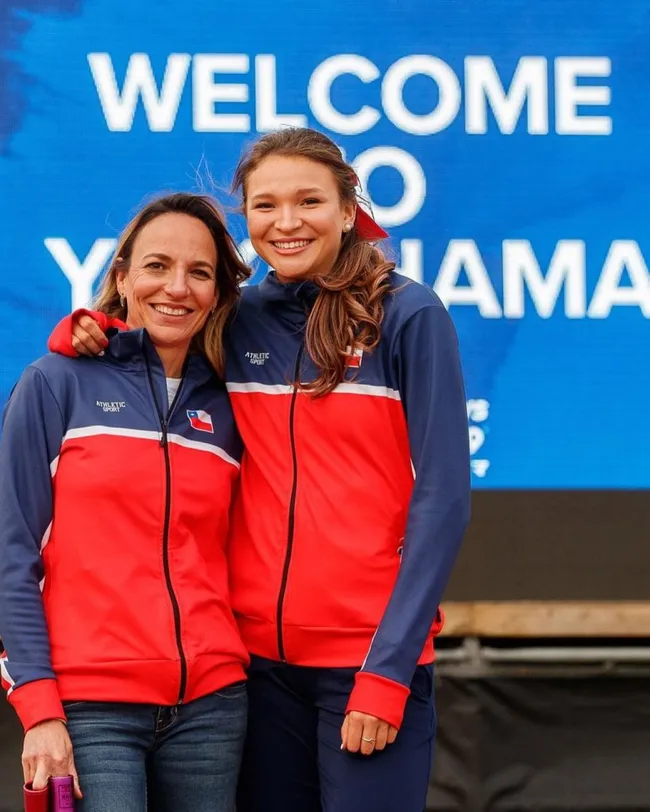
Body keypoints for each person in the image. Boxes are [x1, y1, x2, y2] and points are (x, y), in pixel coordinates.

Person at [48, 127, 471, 812]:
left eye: (309, 201)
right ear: (246, 216)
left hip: (366, 665)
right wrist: (89, 334)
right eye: (266, 205)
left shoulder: (409, 315)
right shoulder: (240, 318)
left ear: (347, 208)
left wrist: (388, 670)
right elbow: (157, 335)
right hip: (256, 672)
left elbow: (445, 500)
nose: (288, 222)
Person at [0, 193, 252, 812]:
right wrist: (38, 708)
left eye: (200, 272)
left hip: (212, 711)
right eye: (157, 266)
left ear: (218, 293)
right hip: (90, 712)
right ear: (122, 277)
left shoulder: (232, 405)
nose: (177, 287)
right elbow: (11, 557)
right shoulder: (55, 383)